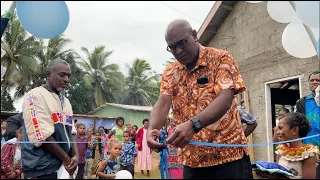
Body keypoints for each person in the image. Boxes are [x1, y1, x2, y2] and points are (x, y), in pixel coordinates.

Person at [147, 19, 253, 179]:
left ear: (194, 35)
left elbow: (225, 98)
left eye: (182, 43)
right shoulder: (170, 72)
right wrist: (151, 130)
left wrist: (193, 125)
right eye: (173, 47)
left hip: (229, 158)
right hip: (192, 162)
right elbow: (162, 104)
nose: (179, 50)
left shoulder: (221, 59)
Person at [21, 59, 78, 179]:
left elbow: (72, 131)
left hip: (62, 167)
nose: (66, 79)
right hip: (42, 168)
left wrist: (76, 156)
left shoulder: (65, 101)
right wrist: (66, 159)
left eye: (68, 76)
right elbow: (42, 136)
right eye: (62, 75)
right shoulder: (34, 96)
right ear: (48, 74)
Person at [256, 112, 319, 179]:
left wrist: (276, 177)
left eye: (280, 128)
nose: (277, 132)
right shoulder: (281, 151)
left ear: (295, 130)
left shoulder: (308, 154)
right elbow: (277, 172)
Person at [295, 71, 320, 147]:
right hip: (309, 146)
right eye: (312, 80)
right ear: (308, 83)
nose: (314, 82)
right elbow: (297, 123)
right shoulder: (302, 102)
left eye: (318, 80)